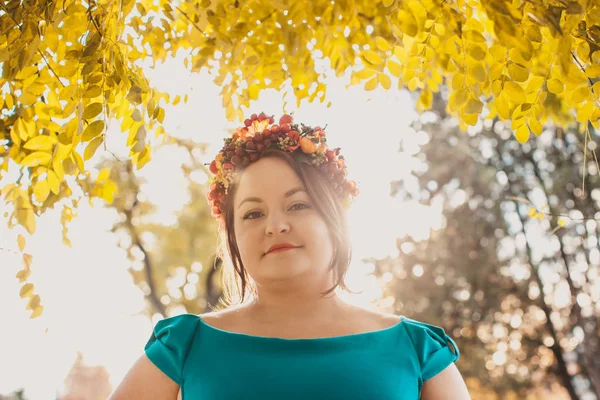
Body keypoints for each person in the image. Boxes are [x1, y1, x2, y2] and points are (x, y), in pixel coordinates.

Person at [109, 112, 471, 399]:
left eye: (297, 205)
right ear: (232, 235)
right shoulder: (183, 346)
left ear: (336, 219)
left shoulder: (419, 352)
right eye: (253, 213)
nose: (275, 226)